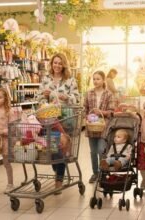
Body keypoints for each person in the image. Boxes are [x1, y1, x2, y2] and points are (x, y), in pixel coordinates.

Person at [37, 53, 80, 193]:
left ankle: (59, 180)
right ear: (51, 64)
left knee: (59, 146)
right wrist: (44, 96)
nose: (57, 65)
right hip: (49, 119)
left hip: (65, 119)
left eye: (60, 63)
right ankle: (59, 169)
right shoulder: (45, 79)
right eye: (55, 62)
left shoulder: (70, 80)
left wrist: (66, 97)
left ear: (64, 65)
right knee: (54, 148)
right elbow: (38, 98)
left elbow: (77, 98)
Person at [84, 70, 115, 183]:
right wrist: (87, 117)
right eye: (94, 79)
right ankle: (95, 173)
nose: (95, 81)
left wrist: (100, 112)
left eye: (98, 79)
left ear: (103, 80)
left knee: (101, 150)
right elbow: (85, 108)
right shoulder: (89, 93)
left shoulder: (108, 94)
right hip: (92, 126)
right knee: (93, 151)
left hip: (104, 127)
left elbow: (112, 112)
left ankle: (103, 172)